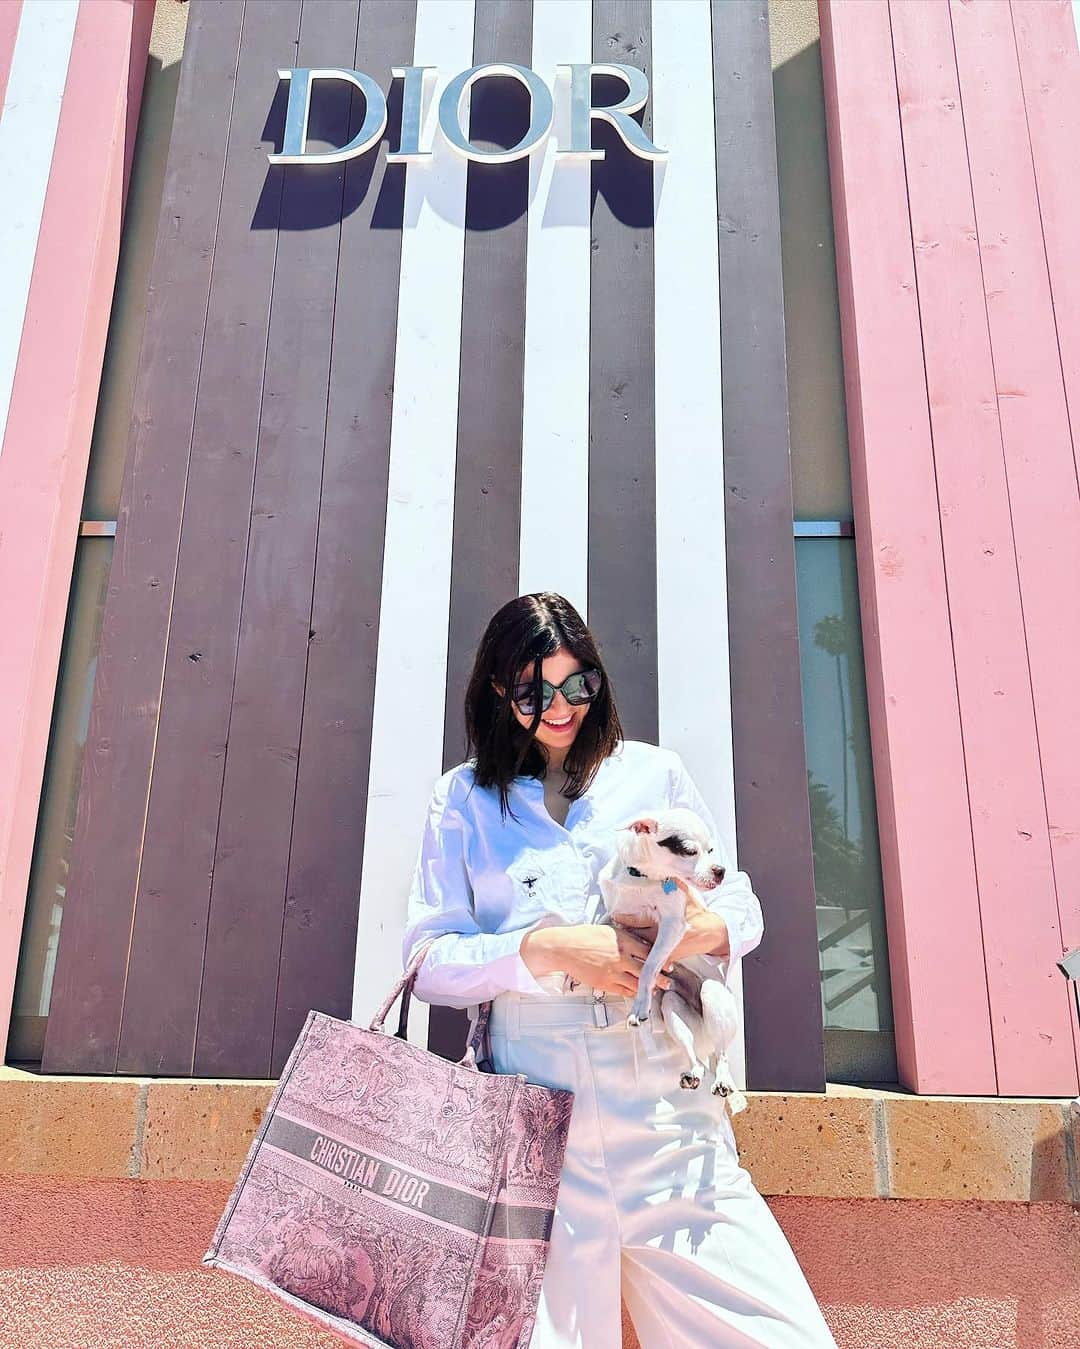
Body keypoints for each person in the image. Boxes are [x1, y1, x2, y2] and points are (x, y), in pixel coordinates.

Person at [401, 593, 838, 1348]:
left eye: (580, 684)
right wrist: (546, 949)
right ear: (500, 691)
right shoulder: (465, 798)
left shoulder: (652, 774)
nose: (561, 705)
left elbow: (740, 901)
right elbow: (427, 961)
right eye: (536, 690)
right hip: (536, 1127)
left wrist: (700, 927)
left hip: (669, 1117)